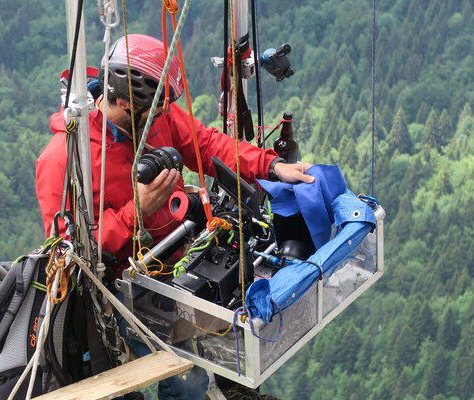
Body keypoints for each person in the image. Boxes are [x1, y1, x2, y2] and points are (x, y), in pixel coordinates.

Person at [36, 34, 314, 400]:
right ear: (122, 100)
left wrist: (272, 166)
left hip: (177, 260)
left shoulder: (153, 114)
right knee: (189, 383)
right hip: (116, 289)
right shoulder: (64, 160)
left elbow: (208, 144)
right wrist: (138, 211)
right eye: (149, 116)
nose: (157, 122)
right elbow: (69, 248)